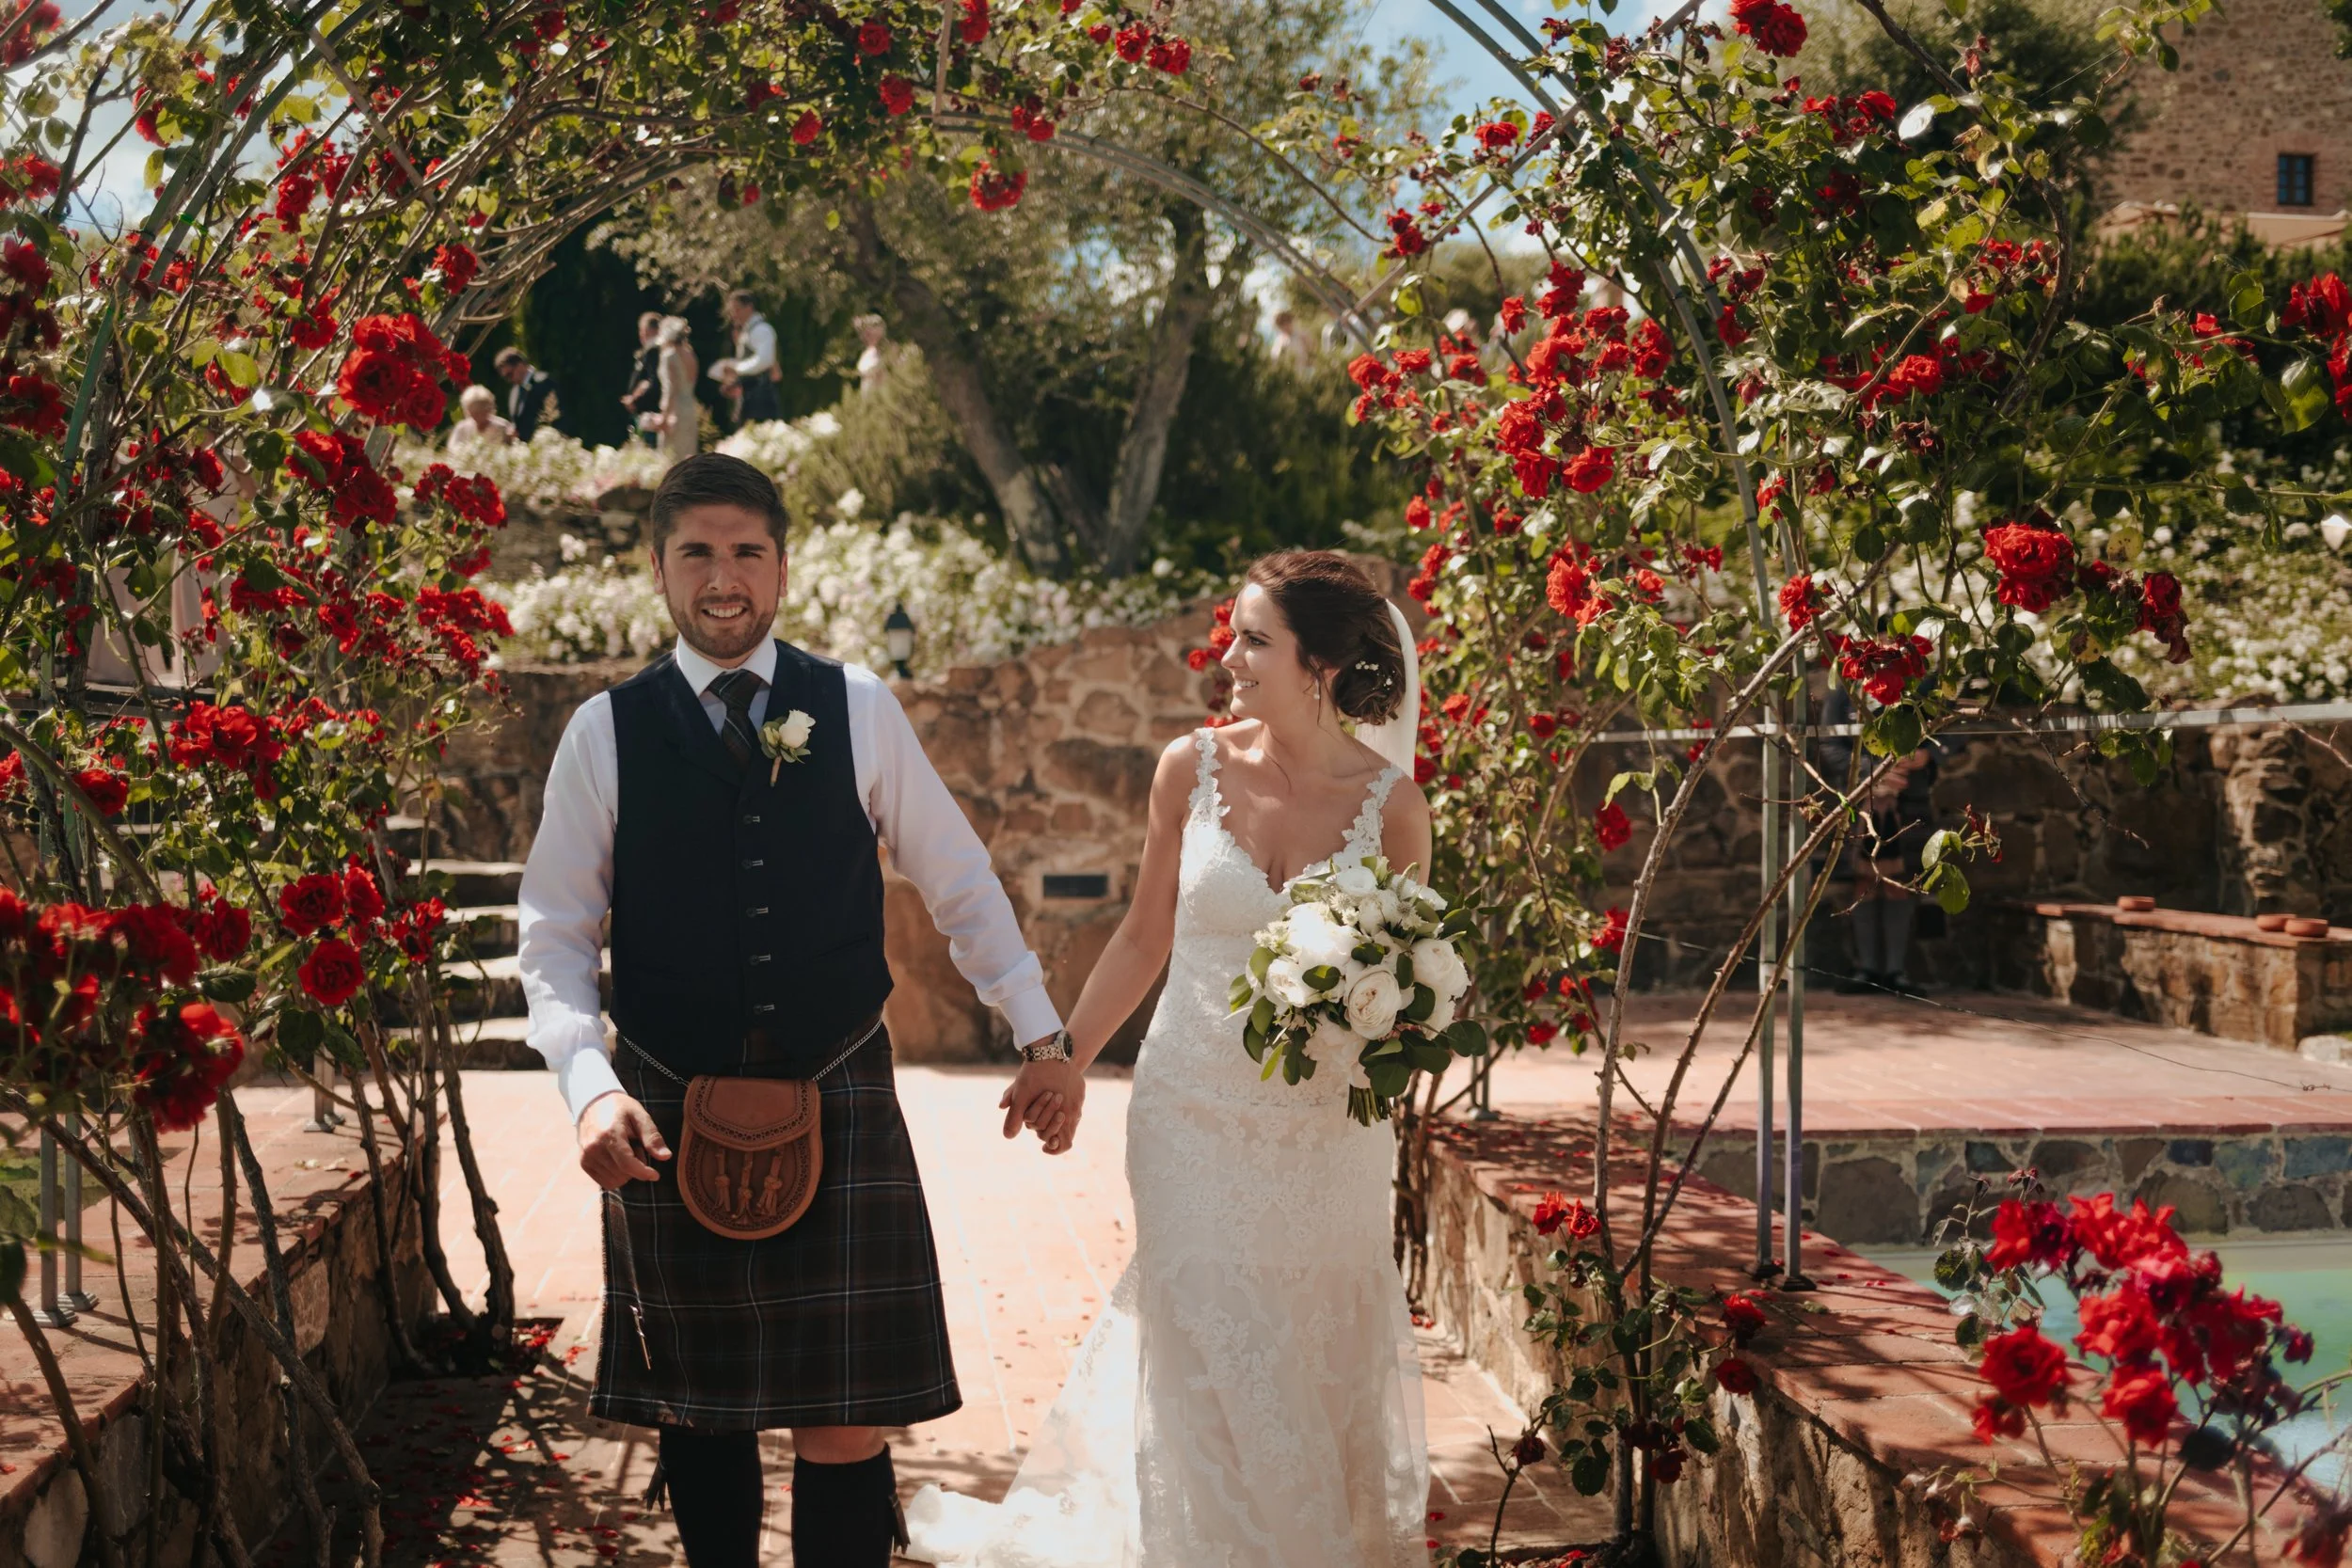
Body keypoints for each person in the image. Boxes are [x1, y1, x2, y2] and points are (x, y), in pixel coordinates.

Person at [516, 452, 1075, 1568]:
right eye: (698, 554)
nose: (724, 579)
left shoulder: (856, 705)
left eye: (746, 552)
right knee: (700, 1411)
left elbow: (959, 878)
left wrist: (1040, 1030)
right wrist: (589, 1088)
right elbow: (555, 938)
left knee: (843, 1414)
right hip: (666, 1102)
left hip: (839, 1085)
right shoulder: (604, 732)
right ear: (660, 569)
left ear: (782, 566)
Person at [905, 550, 1435, 1566]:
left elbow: (1408, 987)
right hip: (1188, 1113)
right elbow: (1144, 936)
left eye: (1253, 639)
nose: (1228, 656)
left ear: (1318, 661)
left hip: (1325, 1133)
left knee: (1308, 1348)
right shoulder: (1187, 770)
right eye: (1233, 633)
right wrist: (1063, 1054)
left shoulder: (1394, 807)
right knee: (1203, 1339)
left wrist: (1372, 1020)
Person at [712, 288, 780, 426]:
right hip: (749, 399)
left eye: (737, 309)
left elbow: (765, 360)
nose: (733, 315)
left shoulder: (761, 330)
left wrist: (736, 369)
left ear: (749, 307)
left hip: (761, 401)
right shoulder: (747, 332)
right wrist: (734, 383)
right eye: (732, 311)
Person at [650, 316, 699, 466]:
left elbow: (671, 389)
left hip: (675, 411)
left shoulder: (669, 356)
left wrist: (665, 416)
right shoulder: (690, 354)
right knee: (688, 458)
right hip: (690, 408)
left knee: (670, 460)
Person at [496, 347, 560, 439]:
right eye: (506, 378)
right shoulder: (514, 392)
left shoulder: (544, 382)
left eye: (510, 374)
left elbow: (556, 416)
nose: (509, 380)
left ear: (520, 365)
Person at [623, 312, 664, 444]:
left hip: (650, 414)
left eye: (644, 331)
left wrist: (635, 400)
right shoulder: (649, 351)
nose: (641, 335)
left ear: (654, 330)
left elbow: (655, 383)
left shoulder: (655, 351)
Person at [445, 385, 515, 460]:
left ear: (490, 409)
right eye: (474, 412)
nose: (478, 416)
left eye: (481, 411)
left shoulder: (502, 426)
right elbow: (452, 450)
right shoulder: (462, 428)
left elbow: (511, 451)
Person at [852, 312, 893, 394]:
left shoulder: (888, 352)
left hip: (882, 396)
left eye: (870, 334)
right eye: (867, 334)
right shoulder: (867, 353)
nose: (867, 337)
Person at [1270, 308, 1314, 373]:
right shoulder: (1278, 342)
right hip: (1288, 375)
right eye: (1281, 323)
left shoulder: (1303, 335)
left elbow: (1312, 354)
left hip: (1304, 373)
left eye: (1287, 320)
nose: (1285, 325)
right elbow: (1276, 361)